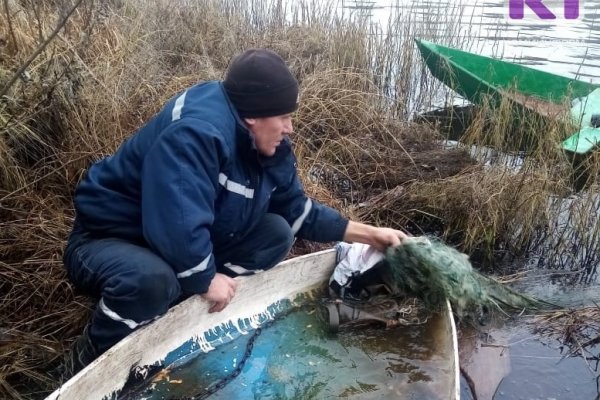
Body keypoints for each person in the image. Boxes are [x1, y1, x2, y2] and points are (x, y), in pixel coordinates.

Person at [62, 48, 408, 373]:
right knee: (151, 281)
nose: (290, 128)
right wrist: (203, 277)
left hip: (169, 244)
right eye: (284, 117)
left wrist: (370, 234)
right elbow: (175, 223)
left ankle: (181, 303)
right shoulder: (196, 134)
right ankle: (89, 358)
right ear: (254, 116)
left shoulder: (264, 143)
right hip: (108, 240)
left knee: (276, 233)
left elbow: (297, 210)